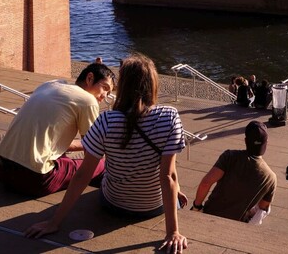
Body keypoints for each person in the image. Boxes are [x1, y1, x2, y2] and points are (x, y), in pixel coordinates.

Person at [25, 54, 189, 253]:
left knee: (101, 178)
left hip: (114, 203)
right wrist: (173, 232)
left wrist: (54, 222)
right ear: (153, 84)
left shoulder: (106, 121)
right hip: (154, 206)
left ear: (124, 86)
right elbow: (168, 174)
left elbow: (83, 175)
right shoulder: (170, 116)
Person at [0, 62, 114, 197]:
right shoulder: (88, 100)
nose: (105, 96)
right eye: (104, 88)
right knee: (101, 166)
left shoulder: (49, 85)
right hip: (35, 180)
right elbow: (91, 155)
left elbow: (51, 139)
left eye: (109, 93)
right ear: (90, 78)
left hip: (2, 171)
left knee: (63, 157)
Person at [191, 120, 277, 224]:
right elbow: (262, 207)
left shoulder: (230, 157)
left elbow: (206, 183)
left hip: (210, 214)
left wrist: (197, 206)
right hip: (236, 225)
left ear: (245, 141)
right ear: (266, 143)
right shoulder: (271, 177)